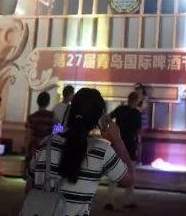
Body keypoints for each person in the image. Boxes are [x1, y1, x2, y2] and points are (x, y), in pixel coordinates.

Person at [23, 87, 134, 215]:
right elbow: (129, 180)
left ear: (71, 109)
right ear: (98, 120)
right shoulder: (101, 151)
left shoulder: (45, 143)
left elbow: (29, 188)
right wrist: (118, 141)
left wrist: (57, 136)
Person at [105, 91, 142, 210]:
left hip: (117, 144)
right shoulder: (137, 113)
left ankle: (110, 200)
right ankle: (129, 200)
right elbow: (138, 132)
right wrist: (139, 147)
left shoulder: (120, 109)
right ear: (136, 101)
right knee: (131, 173)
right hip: (130, 147)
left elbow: (106, 118)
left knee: (114, 172)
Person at [26, 91, 57, 163]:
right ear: (48, 103)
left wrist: (26, 151)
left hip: (34, 148)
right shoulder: (52, 116)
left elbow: (28, 135)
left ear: (37, 102)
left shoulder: (32, 117)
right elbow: (58, 131)